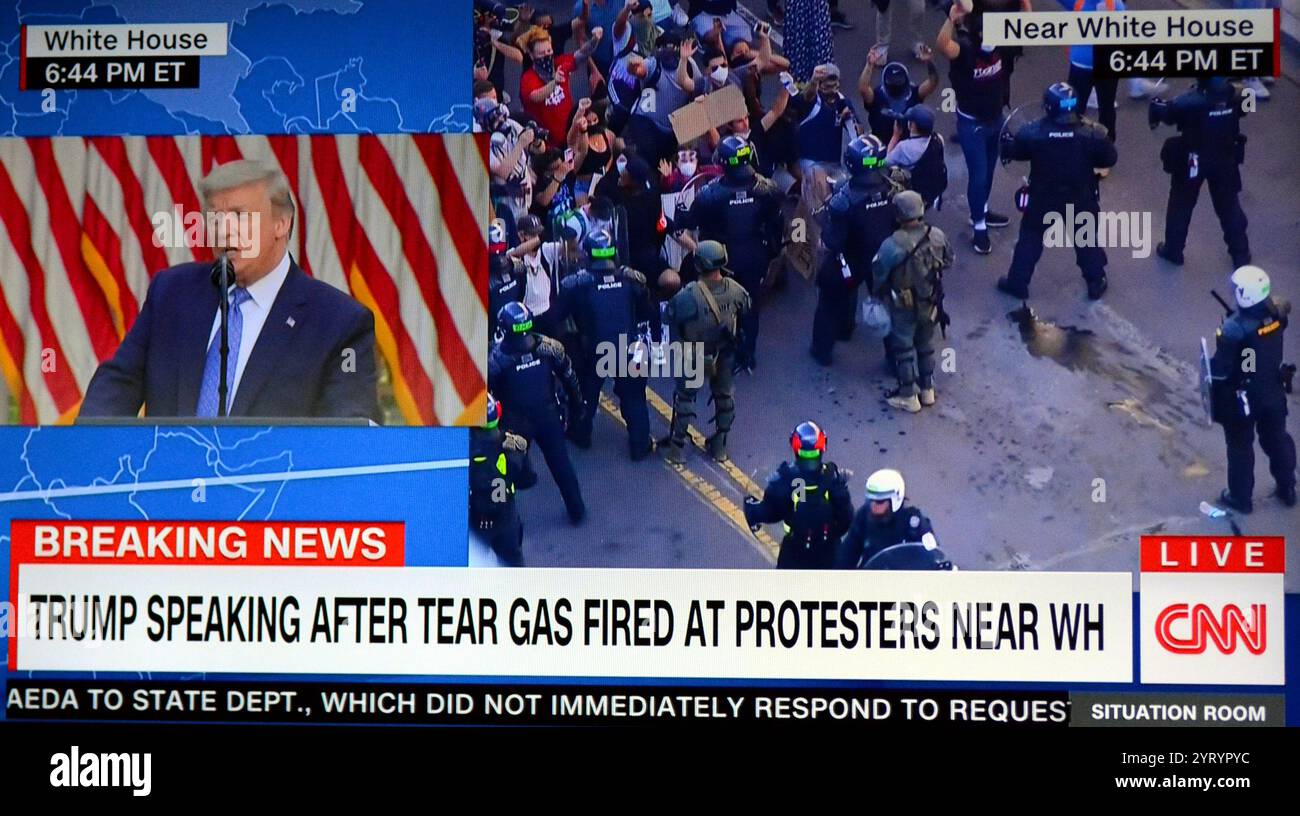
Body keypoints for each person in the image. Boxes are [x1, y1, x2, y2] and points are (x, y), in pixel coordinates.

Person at [80, 160, 379, 422]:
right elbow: (118, 384)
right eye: (214, 218)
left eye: (239, 215)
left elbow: (346, 432)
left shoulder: (339, 322)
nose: (224, 231)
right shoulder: (171, 294)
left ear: (281, 224)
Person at [997, 82, 1117, 301]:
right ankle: (1095, 281)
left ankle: (1018, 283)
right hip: (1080, 196)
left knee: (1030, 238)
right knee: (1085, 239)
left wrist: (1007, 143)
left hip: (1043, 197)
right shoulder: (1092, 134)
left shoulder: (1033, 133)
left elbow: (1014, 151)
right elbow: (1110, 158)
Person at [676, 135, 783, 372]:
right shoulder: (768, 189)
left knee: (718, 306)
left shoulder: (710, 195)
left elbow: (689, 220)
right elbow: (777, 218)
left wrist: (680, 212)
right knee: (750, 304)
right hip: (755, 256)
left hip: (721, 259)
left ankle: (723, 353)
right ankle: (748, 355)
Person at [553, 229, 654, 460]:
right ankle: (640, 445)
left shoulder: (575, 284)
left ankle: (581, 434)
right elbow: (647, 311)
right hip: (628, 347)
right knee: (634, 397)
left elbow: (556, 317)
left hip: (593, 351)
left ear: (588, 254)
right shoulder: (631, 280)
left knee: (586, 396)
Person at [488, 302, 588, 524]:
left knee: (504, 471)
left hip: (515, 424)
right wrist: (578, 406)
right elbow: (570, 379)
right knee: (561, 464)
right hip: (547, 416)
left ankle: (503, 521)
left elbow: (486, 399)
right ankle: (577, 510)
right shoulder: (550, 348)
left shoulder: (495, 361)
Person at [1209, 266, 1296, 512]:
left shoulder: (1233, 331)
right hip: (1272, 391)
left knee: (1240, 447)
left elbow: (1221, 370)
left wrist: (1222, 339)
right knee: (1277, 439)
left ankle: (1240, 498)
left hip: (1243, 399)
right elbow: (1266, 329)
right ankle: (1287, 486)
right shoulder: (1277, 315)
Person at [811, 134, 900, 366]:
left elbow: (832, 240)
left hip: (851, 259)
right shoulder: (894, 190)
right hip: (885, 258)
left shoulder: (844, 200)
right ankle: (896, 358)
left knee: (830, 301)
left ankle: (824, 350)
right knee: (890, 305)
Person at [661, 240, 752, 464]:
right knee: (725, 397)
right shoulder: (735, 289)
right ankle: (720, 447)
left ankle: (677, 449)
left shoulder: (689, 295)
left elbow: (669, 316)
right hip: (725, 352)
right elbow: (747, 308)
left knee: (685, 400)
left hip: (695, 353)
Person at [1150, 76, 1252, 270]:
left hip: (1193, 159)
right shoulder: (1241, 94)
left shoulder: (1188, 102)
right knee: (1229, 206)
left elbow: (1166, 114)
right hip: (1225, 158)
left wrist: (1156, 104)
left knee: (1181, 203)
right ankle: (1240, 254)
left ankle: (1173, 250)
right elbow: (1247, 109)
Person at [936, 3, 1011, 255]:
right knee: (978, 174)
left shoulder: (1000, 48)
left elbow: (1027, 28)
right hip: (972, 124)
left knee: (989, 171)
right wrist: (951, 19)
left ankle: (983, 210)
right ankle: (979, 226)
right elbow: (943, 44)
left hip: (996, 119)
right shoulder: (965, 50)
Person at [872, 190, 954, 413]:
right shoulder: (936, 235)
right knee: (926, 345)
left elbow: (878, 273)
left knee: (904, 348)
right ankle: (928, 389)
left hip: (903, 304)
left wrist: (879, 293)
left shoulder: (892, 245)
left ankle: (908, 395)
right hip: (931, 300)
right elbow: (949, 259)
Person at [743, 421, 854, 569]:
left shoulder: (784, 480)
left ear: (795, 447)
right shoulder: (834, 479)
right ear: (822, 447)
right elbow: (845, 521)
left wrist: (752, 511)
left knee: (786, 590)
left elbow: (769, 513)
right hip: (830, 555)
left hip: (795, 554)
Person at [470, 393, 538, 567]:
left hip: (475, 521)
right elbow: (528, 480)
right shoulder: (512, 446)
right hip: (505, 519)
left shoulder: (463, 450)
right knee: (514, 566)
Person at [835, 468, 952, 569]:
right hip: (871, 581)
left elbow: (933, 554)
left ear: (895, 499)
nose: (874, 506)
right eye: (871, 501)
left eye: (880, 501)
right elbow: (846, 555)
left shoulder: (913, 521)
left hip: (905, 584)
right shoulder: (863, 517)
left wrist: (939, 566)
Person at [519, 25, 603, 152]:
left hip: (571, 134)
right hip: (548, 146)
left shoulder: (559, 65)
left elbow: (581, 54)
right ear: (531, 56)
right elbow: (535, 96)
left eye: (548, 51)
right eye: (541, 53)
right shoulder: (527, 79)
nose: (546, 56)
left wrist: (594, 40)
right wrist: (554, 83)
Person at [859, 49, 938, 145]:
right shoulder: (877, 95)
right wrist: (869, 65)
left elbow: (933, 82)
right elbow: (863, 89)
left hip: (906, 148)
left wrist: (929, 61)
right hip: (879, 148)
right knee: (866, 161)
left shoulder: (914, 92)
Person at [885, 104, 947, 210]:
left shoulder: (904, 147)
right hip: (933, 187)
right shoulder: (938, 139)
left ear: (912, 125)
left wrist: (896, 135)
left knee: (884, 170)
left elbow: (886, 161)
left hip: (916, 189)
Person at [488, 220, 526, 338]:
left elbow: (522, 294)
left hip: (517, 322)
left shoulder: (518, 267)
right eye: (494, 252)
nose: (500, 260)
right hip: (493, 331)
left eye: (501, 249)